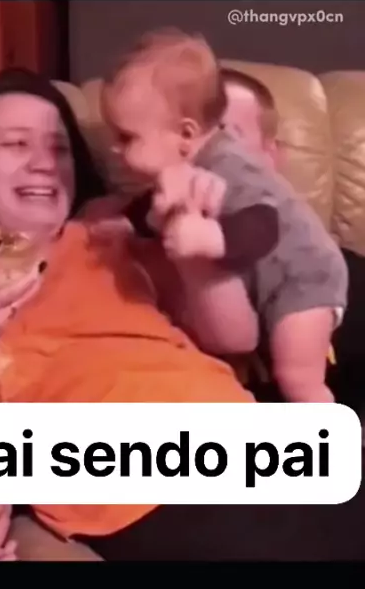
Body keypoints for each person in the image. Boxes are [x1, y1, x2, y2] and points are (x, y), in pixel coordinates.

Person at [0, 68, 260, 562]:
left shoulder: (112, 240)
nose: (44, 163)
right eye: (17, 144)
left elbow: (236, 338)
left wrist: (197, 252)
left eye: (59, 148)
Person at [101, 28, 348, 404]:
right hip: (268, 287)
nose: (114, 150)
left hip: (306, 278)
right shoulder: (183, 169)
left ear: (185, 134)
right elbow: (150, 204)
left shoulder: (231, 164)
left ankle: (330, 431)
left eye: (126, 137)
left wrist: (212, 239)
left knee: (298, 378)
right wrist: (122, 222)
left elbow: (265, 222)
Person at [221, 67, 365, 416]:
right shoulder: (141, 277)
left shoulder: (345, 276)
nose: (206, 159)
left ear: (272, 157)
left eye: (226, 140)